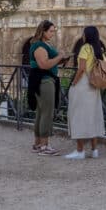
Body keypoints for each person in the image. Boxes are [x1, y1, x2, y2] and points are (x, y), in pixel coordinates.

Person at [65, 26, 106, 160]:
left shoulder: (85, 48)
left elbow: (81, 68)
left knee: (78, 115)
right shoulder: (99, 50)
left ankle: (80, 150)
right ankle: (94, 150)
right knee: (92, 115)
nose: (82, 35)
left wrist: (73, 83)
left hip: (83, 84)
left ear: (86, 35)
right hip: (94, 85)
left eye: (83, 33)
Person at [27, 20, 68, 156]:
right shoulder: (39, 46)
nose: (52, 33)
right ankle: (44, 146)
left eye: (53, 31)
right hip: (44, 81)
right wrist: (60, 56)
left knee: (41, 112)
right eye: (50, 31)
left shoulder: (43, 45)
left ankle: (38, 144)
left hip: (44, 80)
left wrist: (61, 59)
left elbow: (49, 62)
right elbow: (44, 64)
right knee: (47, 113)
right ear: (43, 31)